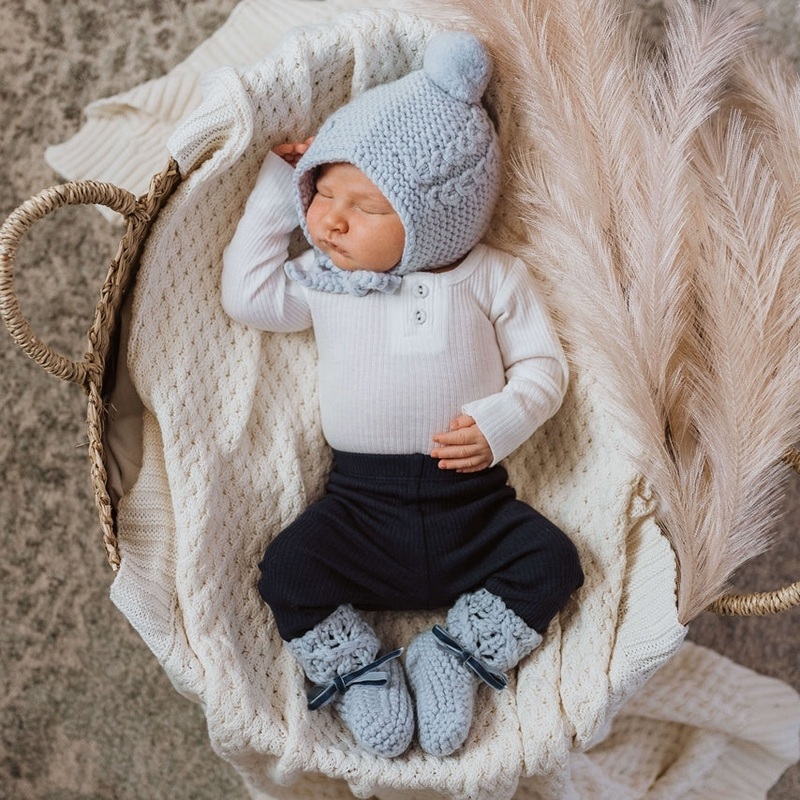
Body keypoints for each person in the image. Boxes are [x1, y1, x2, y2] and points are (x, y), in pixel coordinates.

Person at [222, 30, 583, 759]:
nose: (330, 218)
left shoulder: (489, 275)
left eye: (364, 205)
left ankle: (454, 656)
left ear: (433, 216)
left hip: (473, 506)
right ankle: (361, 670)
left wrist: (501, 420)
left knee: (555, 561)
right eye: (322, 193)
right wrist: (273, 192)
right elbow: (248, 297)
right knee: (287, 571)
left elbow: (544, 367)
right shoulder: (327, 283)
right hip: (358, 509)